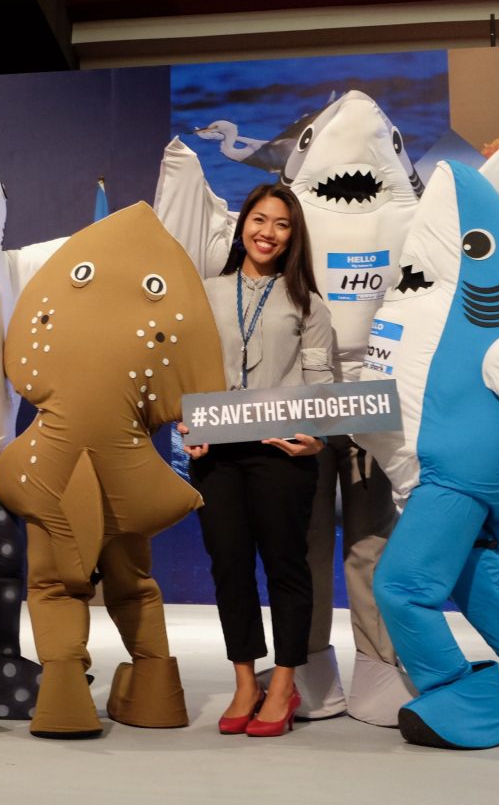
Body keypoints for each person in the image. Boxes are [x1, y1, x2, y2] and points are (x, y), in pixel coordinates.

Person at [180, 182, 333, 737]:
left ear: (293, 237)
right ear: (242, 225)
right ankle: (246, 680)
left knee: (286, 566)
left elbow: (322, 384)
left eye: (282, 224)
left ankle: (286, 683)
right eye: (259, 220)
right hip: (217, 455)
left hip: (281, 456)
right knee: (229, 566)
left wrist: (315, 438)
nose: (267, 232)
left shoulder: (309, 304)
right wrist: (186, 423)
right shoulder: (204, 293)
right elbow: (187, 371)